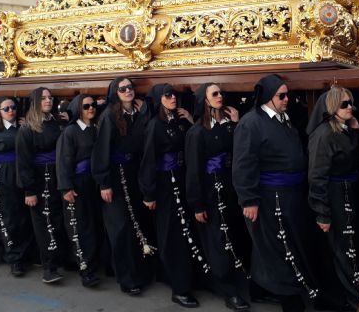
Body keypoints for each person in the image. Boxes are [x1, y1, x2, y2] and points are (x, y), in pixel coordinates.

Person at [233, 74, 317, 312]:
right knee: (278, 249)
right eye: (281, 95)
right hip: (270, 198)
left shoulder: (284, 119)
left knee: (285, 246)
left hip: (291, 195)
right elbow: (243, 164)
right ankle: (290, 301)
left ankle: (265, 290)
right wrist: (248, 199)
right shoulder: (250, 123)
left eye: (287, 95)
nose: (286, 99)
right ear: (268, 97)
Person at [184, 83, 250, 311]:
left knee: (236, 236)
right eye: (215, 94)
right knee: (218, 242)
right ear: (205, 100)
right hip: (212, 193)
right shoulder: (197, 132)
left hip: (232, 190)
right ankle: (228, 291)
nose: (221, 96)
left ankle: (243, 283)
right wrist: (197, 204)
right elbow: (193, 170)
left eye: (221, 92)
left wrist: (238, 123)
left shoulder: (229, 126)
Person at [140, 83, 201, 308]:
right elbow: (148, 159)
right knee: (171, 233)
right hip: (166, 185)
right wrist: (149, 192)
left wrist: (191, 122)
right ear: (159, 99)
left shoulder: (177, 121)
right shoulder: (154, 125)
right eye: (168, 95)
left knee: (186, 230)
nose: (173, 98)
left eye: (174, 94)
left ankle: (189, 278)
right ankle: (179, 287)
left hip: (182, 179)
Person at [307, 86, 359, 311]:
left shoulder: (346, 129)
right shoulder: (323, 135)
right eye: (344, 104)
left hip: (351, 192)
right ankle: (355, 299)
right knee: (343, 248)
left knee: (353, 246)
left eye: (351, 102)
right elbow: (317, 175)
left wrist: (357, 131)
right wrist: (322, 212)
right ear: (332, 107)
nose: (350, 107)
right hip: (335, 196)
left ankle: (358, 295)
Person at [92, 77, 153, 296]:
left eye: (130, 88)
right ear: (115, 93)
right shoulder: (109, 116)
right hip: (116, 175)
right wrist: (104, 182)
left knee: (137, 222)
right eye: (122, 89)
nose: (128, 91)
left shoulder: (138, 113)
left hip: (135, 172)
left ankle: (138, 270)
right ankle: (127, 278)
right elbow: (102, 150)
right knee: (121, 227)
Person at [16, 87, 68, 284]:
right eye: (43, 98)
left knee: (60, 218)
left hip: (60, 175)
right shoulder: (27, 129)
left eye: (50, 97)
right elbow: (24, 161)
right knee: (44, 222)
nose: (48, 101)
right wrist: (29, 190)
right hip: (40, 179)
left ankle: (63, 258)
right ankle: (49, 266)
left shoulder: (58, 122)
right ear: (35, 102)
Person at [0, 97, 33, 277]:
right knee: (9, 220)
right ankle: (14, 259)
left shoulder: (23, 128)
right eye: (6, 108)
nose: (11, 111)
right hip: (3, 179)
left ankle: (25, 254)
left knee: (24, 218)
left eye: (13, 107)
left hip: (23, 176)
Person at [56, 94, 103, 287]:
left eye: (93, 105)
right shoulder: (70, 132)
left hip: (94, 182)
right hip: (78, 184)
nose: (91, 108)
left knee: (95, 225)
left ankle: (94, 263)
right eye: (86, 106)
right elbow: (63, 161)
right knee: (81, 227)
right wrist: (66, 187)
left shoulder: (96, 128)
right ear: (77, 109)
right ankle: (85, 269)